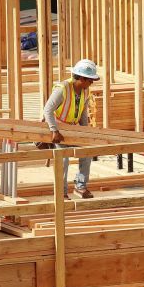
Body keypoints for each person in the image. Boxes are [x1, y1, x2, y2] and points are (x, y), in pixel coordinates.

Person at [43, 59, 99, 199]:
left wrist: (86, 134)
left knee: (86, 153)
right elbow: (47, 110)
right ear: (81, 78)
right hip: (58, 128)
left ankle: (80, 187)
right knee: (63, 159)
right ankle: (61, 193)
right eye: (90, 80)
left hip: (72, 129)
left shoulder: (85, 91)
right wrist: (54, 130)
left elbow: (83, 115)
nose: (92, 83)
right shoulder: (62, 89)